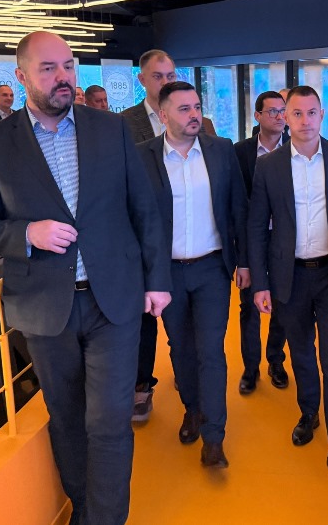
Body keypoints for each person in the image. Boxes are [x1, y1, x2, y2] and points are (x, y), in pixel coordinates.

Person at [0, 30, 172, 525]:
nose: (63, 77)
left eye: (68, 65)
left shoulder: (110, 129)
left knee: (110, 421)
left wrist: (157, 280)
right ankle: (83, 508)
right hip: (44, 306)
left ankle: (106, 519)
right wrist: (26, 233)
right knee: (67, 418)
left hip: (113, 301)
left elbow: (144, 208)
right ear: (21, 76)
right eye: (48, 68)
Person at [248, 85, 328, 476]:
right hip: (290, 277)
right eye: (296, 114)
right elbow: (256, 227)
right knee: (301, 353)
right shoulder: (269, 166)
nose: (305, 121)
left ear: (322, 115)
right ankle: (308, 413)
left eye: (312, 113)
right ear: (285, 118)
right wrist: (261, 283)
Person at [136, 81, 249, 468]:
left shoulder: (221, 150)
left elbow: (238, 208)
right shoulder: (144, 156)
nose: (194, 114)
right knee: (181, 348)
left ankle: (215, 436)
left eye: (197, 107)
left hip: (212, 268)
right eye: (184, 109)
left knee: (211, 351)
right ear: (163, 115)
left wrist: (245, 262)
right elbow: (135, 218)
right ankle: (193, 410)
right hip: (166, 273)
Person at [122, 49, 216, 422]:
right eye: (158, 76)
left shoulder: (203, 124)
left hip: (194, 247)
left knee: (192, 331)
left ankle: (189, 381)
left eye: (171, 74)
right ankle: (142, 385)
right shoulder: (124, 124)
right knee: (145, 321)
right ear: (142, 80)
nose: (165, 81)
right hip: (145, 246)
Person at [233, 91, 289, 395]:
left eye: (283, 111)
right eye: (272, 112)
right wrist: (242, 258)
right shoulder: (240, 152)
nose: (279, 117)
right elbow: (237, 207)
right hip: (251, 239)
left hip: (283, 240)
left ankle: (276, 360)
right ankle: (250, 367)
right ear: (257, 116)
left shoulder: (294, 149)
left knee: (282, 303)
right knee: (249, 306)